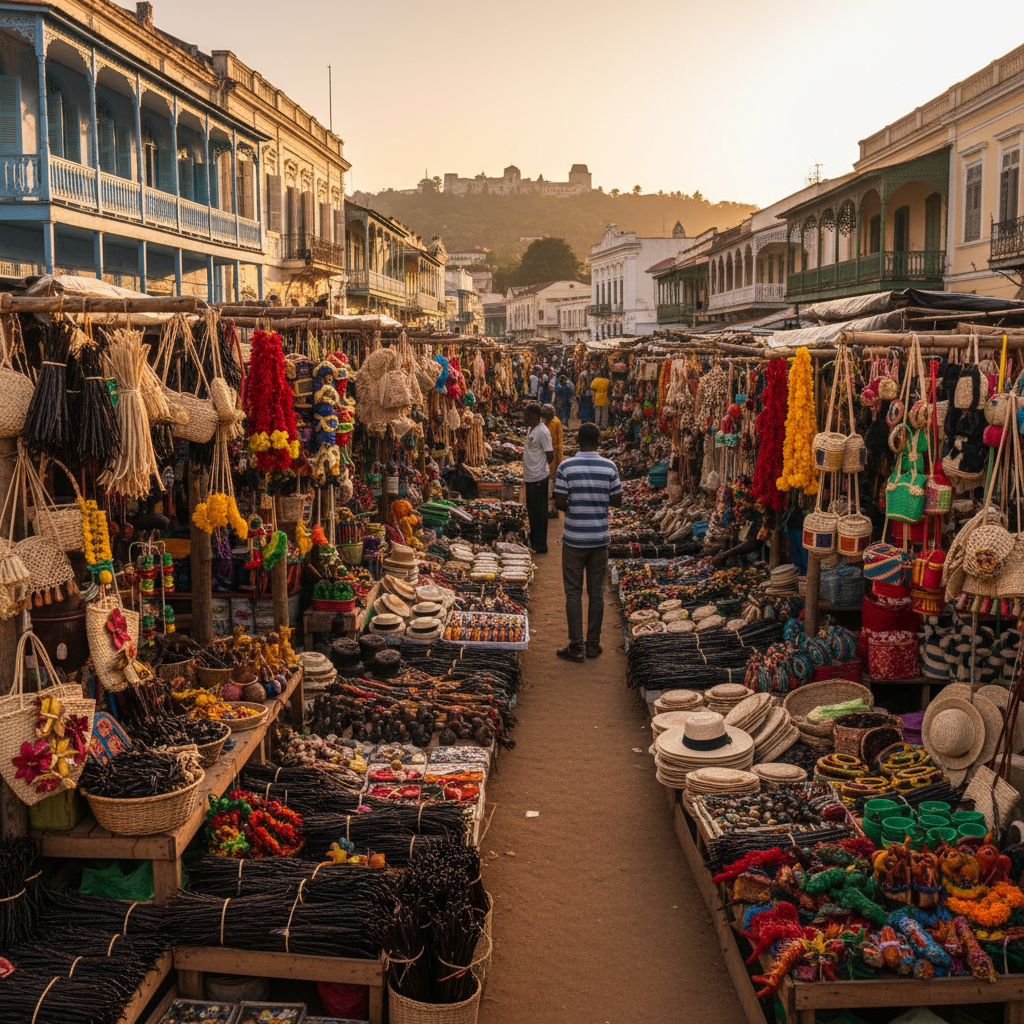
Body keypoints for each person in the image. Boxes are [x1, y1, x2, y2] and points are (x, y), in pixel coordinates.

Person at [553, 422, 622, 662]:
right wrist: (597, 501)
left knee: (573, 593)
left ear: (578, 440)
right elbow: (617, 500)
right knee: (596, 593)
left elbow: (560, 503)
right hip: (599, 539)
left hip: (574, 539)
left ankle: (576, 646)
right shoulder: (609, 466)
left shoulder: (566, 466)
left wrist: (577, 504)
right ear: (599, 441)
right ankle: (593, 645)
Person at [522, 403, 553, 553]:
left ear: (533, 416)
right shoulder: (531, 429)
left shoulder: (542, 431)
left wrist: (540, 469)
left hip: (539, 477)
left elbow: (550, 455)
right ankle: (535, 541)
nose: (524, 417)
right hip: (530, 477)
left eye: (526, 414)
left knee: (539, 512)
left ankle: (541, 545)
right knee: (532, 510)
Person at [541, 403, 563, 517]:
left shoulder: (556, 422)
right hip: (543, 455)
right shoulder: (541, 423)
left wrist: (559, 457)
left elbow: (559, 442)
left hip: (553, 454)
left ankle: (550, 507)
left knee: (551, 480)